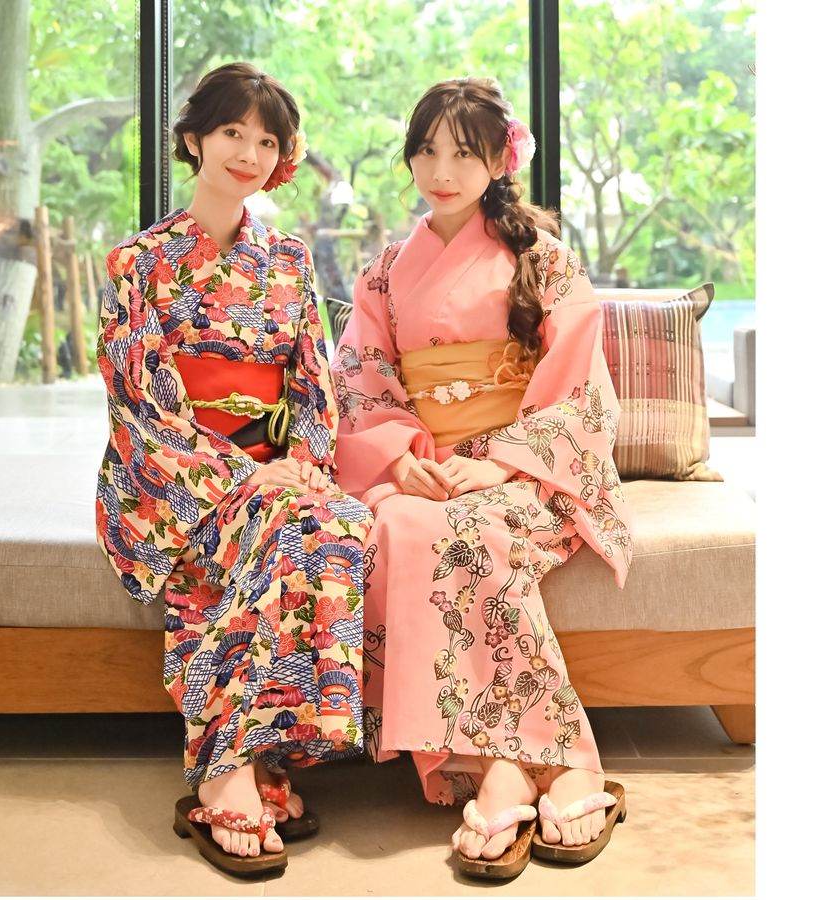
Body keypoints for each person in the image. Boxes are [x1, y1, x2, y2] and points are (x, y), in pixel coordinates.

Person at [331, 77, 633, 878]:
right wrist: (400, 457)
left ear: (500, 160)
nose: (441, 171)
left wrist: (496, 460)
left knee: (467, 534)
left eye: (464, 154)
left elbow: (579, 391)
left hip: (523, 466)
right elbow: (361, 377)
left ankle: (543, 759)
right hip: (423, 464)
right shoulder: (384, 273)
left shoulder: (544, 260)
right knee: (395, 525)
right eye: (427, 151)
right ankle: (496, 762)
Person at [94, 61, 372, 875]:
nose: (249, 153)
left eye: (267, 141)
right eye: (231, 133)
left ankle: (260, 755)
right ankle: (227, 771)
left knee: (340, 521)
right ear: (193, 140)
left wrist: (303, 464)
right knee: (282, 521)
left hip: (272, 473)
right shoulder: (139, 262)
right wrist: (249, 479)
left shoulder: (287, 258)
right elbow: (140, 404)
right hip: (170, 480)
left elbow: (313, 380)